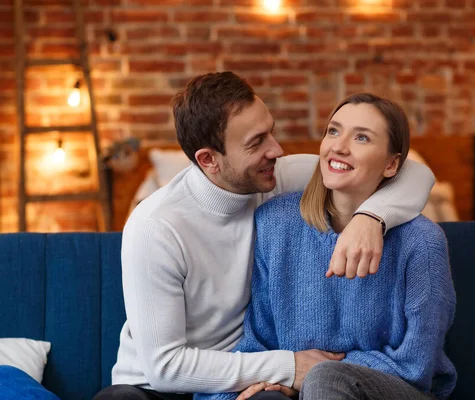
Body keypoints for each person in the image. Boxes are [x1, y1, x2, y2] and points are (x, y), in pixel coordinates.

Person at [93, 73, 435, 400]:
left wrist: (371, 217)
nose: (277, 149)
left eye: (270, 132)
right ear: (209, 159)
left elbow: (413, 171)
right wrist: (287, 366)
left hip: (248, 373)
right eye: (257, 142)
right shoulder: (155, 226)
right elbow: (165, 368)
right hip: (155, 387)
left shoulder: (274, 178)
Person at [196, 93, 456, 400]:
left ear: (391, 164)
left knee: (325, 379)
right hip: (304, 391)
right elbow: (260, 339)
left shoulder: (422, 241)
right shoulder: (275, 224)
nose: (339, 146)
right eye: (333, 131)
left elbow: (416, 365)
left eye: (362, 137)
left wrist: (307, 375)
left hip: (401, 391)